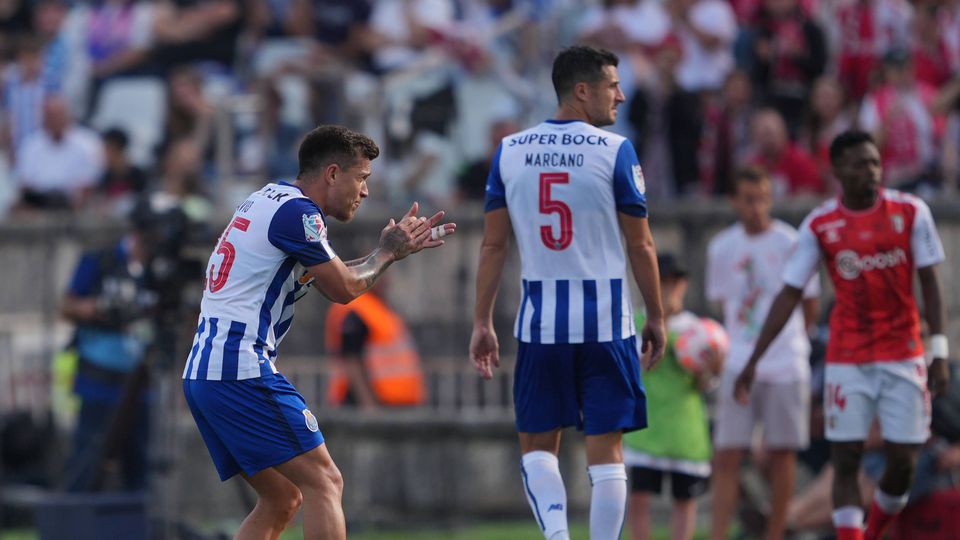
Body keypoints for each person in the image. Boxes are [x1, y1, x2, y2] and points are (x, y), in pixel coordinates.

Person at [182, 125, 455, 540]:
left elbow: (336, 275)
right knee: (325, 481)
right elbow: (344, 288)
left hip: (206, 372)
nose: (363, 192)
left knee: (284, 499)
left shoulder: (268, 198)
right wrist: (387, 253)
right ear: (332, 174)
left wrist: (388, 253)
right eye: (361, 178)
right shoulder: (300, 214)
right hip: (239, 367)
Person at [469, 45, 666, 540]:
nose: (620, 96)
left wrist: (482, 320)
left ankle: (557, 538)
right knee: (607, 453)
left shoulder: (510, 151)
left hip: (541, 324)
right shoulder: (616, 150)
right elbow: (640, 244)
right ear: (582, 91)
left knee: (537, 447)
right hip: (607, 323)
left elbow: (494, 245)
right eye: (611, 86)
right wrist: (657, 318)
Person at [734, 130, 949, 540]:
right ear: (837, 171)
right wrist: (753, 359)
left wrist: (939, 351)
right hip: (847, 359)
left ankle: (871, 532)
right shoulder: (821, 224)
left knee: (902, 463)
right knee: (845, 459)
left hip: (904, 354)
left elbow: (932, 285)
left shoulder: (911, 211)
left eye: (874, 162)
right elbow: (789, 295)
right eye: (859, 164)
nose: (870, 171)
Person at [706, 165, 820, 540]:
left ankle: (776, 532)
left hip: (786, 362)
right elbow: (725, 307)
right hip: (739, 361)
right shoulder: (722, 247)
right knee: (727, 454)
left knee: (782, 453)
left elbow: (810, 304)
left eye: (762, 199)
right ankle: (719, 532)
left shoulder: (791, 242)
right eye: (748, 199)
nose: (756, 207)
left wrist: (793, 345)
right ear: (734, 201)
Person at [61, 210, 161, 491]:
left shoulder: (158, 270)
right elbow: (68, 306)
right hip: (98, 380)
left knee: (139, 465)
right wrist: (100, 308)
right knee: (87, 460)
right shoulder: (101, 262)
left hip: (141, 383)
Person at [624, 254, 719, 540]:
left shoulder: (698, 331)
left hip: (684, 430)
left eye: (675, 281)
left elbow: (704, 383)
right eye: (663, 281)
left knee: (684, 501)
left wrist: (712, 367)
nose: (670, 288)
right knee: (639, 499)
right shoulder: (634, 322)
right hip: (645, 427)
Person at [324, 278, 426, 409]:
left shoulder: (379, 307)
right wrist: (369, 406)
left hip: (395, 404)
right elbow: (351, 360)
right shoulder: (358, 309)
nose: (385, 280)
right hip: (368, 404)